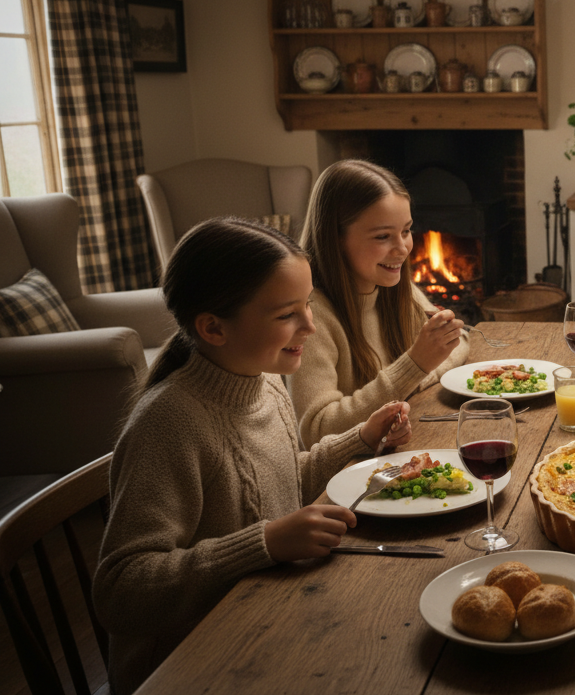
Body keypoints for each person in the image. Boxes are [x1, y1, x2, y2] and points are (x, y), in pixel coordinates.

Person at [94, 218, 413, 694]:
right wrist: (262, 544)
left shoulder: (263, 383)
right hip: (193, 666)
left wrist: (359, 440)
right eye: (287, 314)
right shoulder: (168, 424)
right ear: (213, 328)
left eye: (307, 305)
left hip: (269, 620)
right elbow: (121, 590)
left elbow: (281, 477)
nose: (309, 324)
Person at [291, 159, 470, 447]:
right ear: (335, 238)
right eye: (383, 236)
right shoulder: (310, 315)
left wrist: (418, 373)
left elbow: (458, 340)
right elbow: (316, 430)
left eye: (406, 231)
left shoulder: (392, 285)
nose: (402, 249)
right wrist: (415, 366)